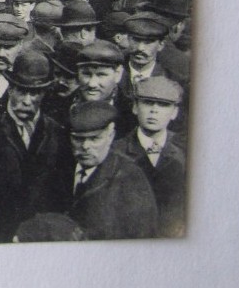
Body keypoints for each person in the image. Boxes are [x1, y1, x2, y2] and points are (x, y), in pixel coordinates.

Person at [0, 50, 73, 241]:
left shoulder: (57, 133)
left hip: (43, 234)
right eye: (21, 91)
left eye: (35, 93)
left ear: (44, 93)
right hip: (0, 233)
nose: (27, 101)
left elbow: (62, 192)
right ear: (10, 89)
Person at [58, 100, 158, 240]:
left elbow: (142, 235)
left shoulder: (130, 177)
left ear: (110, 136)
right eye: (78, 139)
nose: (86, 146)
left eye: (94, 139)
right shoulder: (58, 171)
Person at [111, 77, 186, 238]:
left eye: (164, 105)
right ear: (135, 107)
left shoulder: (185, 151)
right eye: (147, 103)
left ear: (174, 113)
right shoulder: (115, 151)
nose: (154, 110)